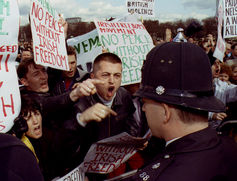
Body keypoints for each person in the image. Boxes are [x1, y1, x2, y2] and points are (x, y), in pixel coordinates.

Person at [122, 42, 237, 181]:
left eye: (145, 102)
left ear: (166, 112)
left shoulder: (164, 175)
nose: (144, 108)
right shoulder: (230, 147)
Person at [73, 52, 139, 179]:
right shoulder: (79, 102)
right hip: (89, 172)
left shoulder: (124, 95)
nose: (112, 81)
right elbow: (68, 146)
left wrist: (134, 142)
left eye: (117, 75)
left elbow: (131, 125)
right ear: (92, 77)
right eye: (105, 75)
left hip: (117, 166)